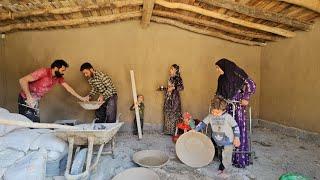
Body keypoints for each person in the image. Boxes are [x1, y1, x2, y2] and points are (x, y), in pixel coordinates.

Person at [215, 58, 256, 168]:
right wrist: (217, 107)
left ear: (224, 67)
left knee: (237, 129)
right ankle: (227, 157)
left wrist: (246, 97)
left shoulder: (237, 73)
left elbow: (251, 84)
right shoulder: (221, 78)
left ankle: (239, 158)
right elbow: (218, 94)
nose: (217, 70)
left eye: (218, 68)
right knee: (226, 130)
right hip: (227, 107)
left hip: (238, 107)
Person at [18, 59, 86, 122]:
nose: (63, 73)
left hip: (35, 100)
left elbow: (69, 88)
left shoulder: (58, 77)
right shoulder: (43, 72)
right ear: (56, 68)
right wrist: (29, 97)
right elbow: (22, 80)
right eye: (62, 70)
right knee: (27, 122)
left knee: (35, 121)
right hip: (25, 98)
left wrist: (81, 98)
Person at [195, 96, 240, 177]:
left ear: (224, 110)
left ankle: (226, 171)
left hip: (228, 141)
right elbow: (203, 123)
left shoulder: (228, 117)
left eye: (217, 112)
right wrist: (195, 129)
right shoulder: (210, 116)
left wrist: (237, 138)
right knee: (220, 155)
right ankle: (222, 165)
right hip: (218, 141)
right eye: (213, 111)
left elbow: (235, 127)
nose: (215, 114)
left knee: (226, 156)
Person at [163, 64, 184, 135]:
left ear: (175, 70)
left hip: (175, 98)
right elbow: (168, 87)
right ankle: (168, 131)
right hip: (168, 97)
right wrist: (167, 89)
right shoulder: (170, 78)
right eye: (170, 69)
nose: (170, 70)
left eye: (172, 69)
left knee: (174, 113)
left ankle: (175, 131)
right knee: (167, 112)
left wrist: (173, 87)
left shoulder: (178, 78)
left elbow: (181, 87)